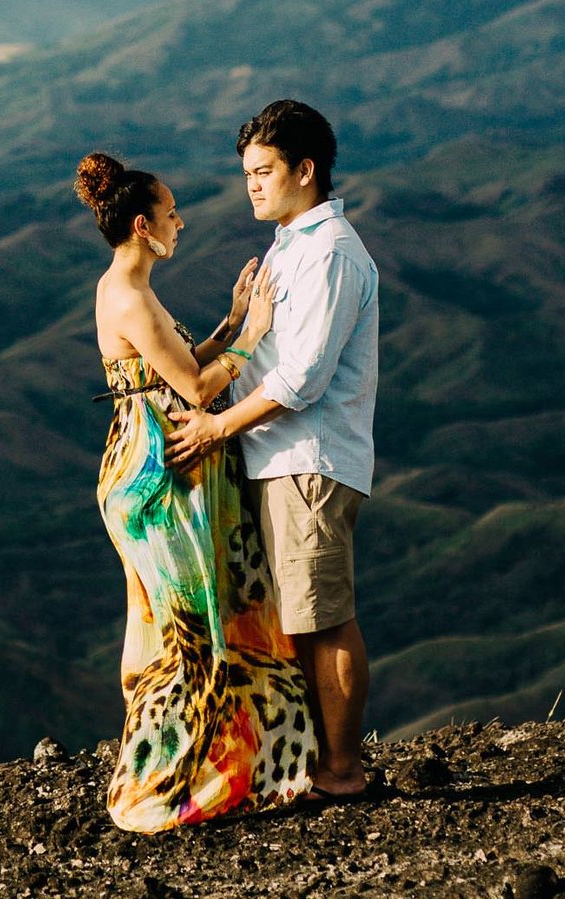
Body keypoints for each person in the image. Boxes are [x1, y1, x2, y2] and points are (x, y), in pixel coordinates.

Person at [76, 151, 317, 831]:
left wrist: (232, 321)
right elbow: (195, 387)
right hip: (161, 481)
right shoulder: (129, 294)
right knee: (191, 629)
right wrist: (258, 333)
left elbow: (177, 361)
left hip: (153, 468)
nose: (181, 221)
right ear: (143, 224)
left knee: (182, 623)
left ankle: (202, 765)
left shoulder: (128, 287)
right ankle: (173, 782)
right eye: (173, 211)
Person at [164, 100, 379, 801]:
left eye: (264, 171)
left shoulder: (330, 252)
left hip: (307, 459)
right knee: (299, 619)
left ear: (305, 169)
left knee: (325, 618)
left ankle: (342, 772)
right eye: (248, 172)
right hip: (277, 457)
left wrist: (217, 429)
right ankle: (320, 764)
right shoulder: (295, 243)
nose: (252, 185)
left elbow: (302, 378)